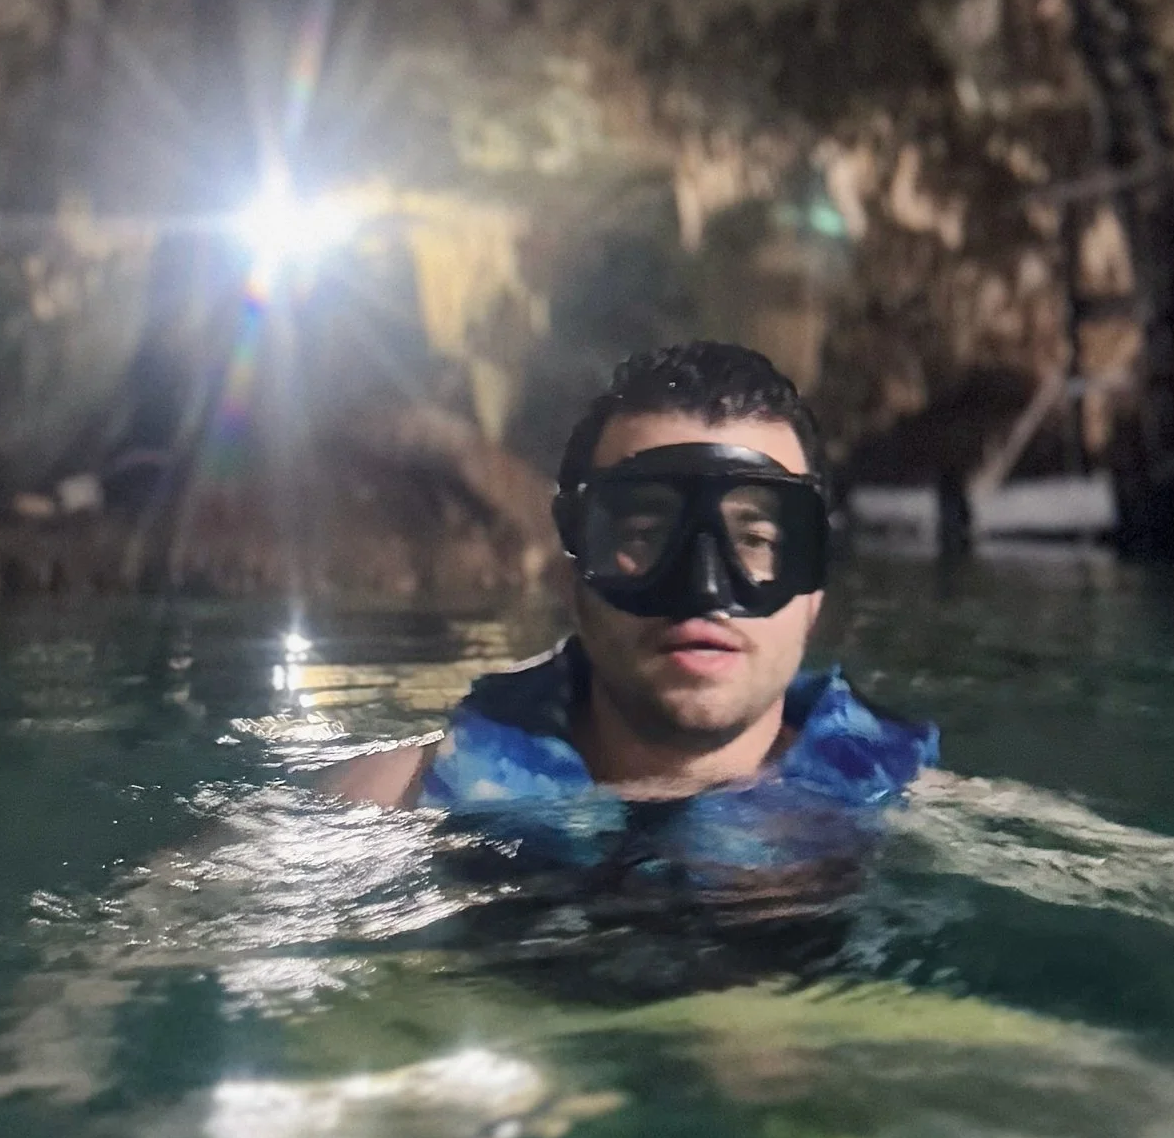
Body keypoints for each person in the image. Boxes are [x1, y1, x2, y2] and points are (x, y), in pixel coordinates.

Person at [323, 339, 936, 895]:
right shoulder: (380, 808)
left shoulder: (918, 812)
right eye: (645, 535)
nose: (703, 591)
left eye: (754, 540)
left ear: (812, 597)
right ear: (571, 578)